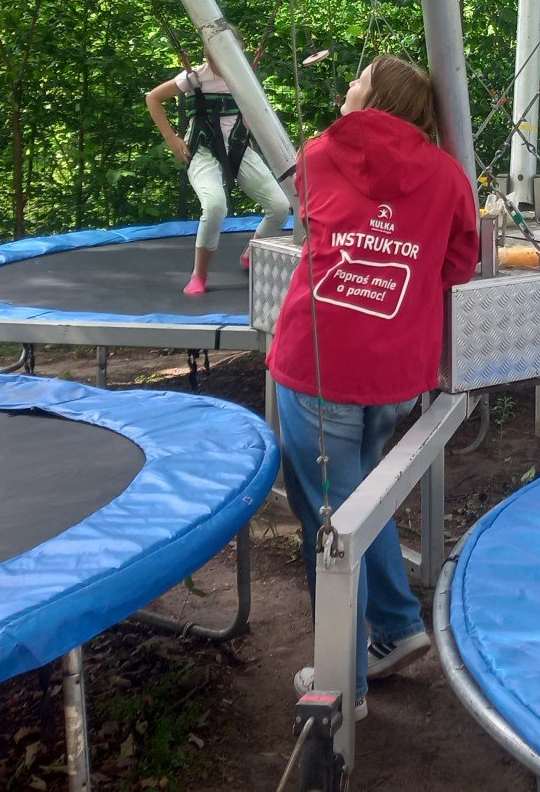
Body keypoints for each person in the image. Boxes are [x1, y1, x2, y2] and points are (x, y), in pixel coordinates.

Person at [268, 56, 480, 718]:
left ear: (376, 97)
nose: (348, 86)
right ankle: (395, 623)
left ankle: (344, 683)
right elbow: (460, 262)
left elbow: (311, 218)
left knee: (328, 519)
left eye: (358, 80)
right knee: (362, 495)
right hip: (395, 370)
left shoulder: (320, 154)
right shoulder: (448, 175)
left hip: (320, 360)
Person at [145, 54, 292, 296]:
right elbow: (153, 98)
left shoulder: (242, 76)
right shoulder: (194, 77)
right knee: (214, 206)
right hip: (202, 149)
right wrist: (171, 138)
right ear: (209, 54)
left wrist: (246, 131)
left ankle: (252, 252)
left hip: (236, 147)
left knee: (280, 206)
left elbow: (248, 107)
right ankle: (199, 274)